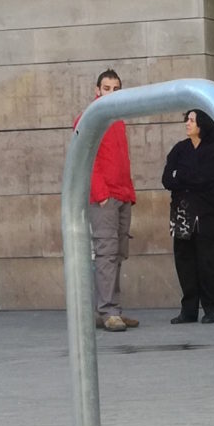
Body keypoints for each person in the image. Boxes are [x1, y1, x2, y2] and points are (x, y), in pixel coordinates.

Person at [77, 69, 137, 331]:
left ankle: (113, 309)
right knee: (106, 253)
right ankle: (107, 311)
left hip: (122, 195)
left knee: (117, 254)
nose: (112, 93)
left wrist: (129, 193)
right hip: (104, 198)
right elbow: (86, 160)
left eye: (116, 89)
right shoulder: (89, 118)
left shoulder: (119, 121)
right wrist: (101, 194)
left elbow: (122, 162)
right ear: (97, 90)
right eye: (107, 88)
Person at [162, 110, 214, 324]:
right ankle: (188, 310)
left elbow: (205, 179)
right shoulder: (179, 149)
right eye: (187, 120)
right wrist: (186, 178)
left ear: (202, 124)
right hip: (182, 215)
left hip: (207, 216)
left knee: (207, 262)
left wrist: (181, 176)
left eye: (192, 120)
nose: (187, 124)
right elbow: (167, 178)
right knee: (185, 263)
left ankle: (211, 308)